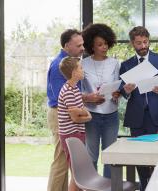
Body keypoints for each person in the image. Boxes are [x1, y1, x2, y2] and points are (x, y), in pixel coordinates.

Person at [120, 26, 158, 190]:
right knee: (140, 159)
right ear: (133, 44)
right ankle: (145, 187)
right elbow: (122, 91)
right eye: (139, 43)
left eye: (145, 42)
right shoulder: (126, 65)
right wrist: (126, 91)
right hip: (137, 119)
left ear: (149, 40)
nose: (143, 46)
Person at [47, 29, 104, 191]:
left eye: (83, 44)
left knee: (67, 162)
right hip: (60, 114)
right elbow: (63, 98)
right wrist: (88, 99)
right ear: (67, 46)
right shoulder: (60, 65)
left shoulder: (71, 64)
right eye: (79, 45)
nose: (82, 48)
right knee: (60, 162)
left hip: (67, 114)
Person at [81, 23, 120, 178]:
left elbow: (117, 86)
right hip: (91, 115)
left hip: (111, 114)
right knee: (91, 155)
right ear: (92, 45)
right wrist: (89, 97)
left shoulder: (115, 63)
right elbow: (80, 90)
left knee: (111, 155)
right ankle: (92, 186)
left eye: (105, 44)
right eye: (100, 44)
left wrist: (118, 94)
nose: (104, 47)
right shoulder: (83, 64)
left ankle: (110, 187)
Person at [58, 57, 92, 191]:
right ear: (74, 72)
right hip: (70, 136)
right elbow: (76, 118)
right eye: (80, 68)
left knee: (79, 174)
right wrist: (88, 116)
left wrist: (84, 112)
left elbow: (82, 113)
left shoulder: (75, 89)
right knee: (77, 175)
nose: (83, 70)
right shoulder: (67, 91)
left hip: (78, 134)